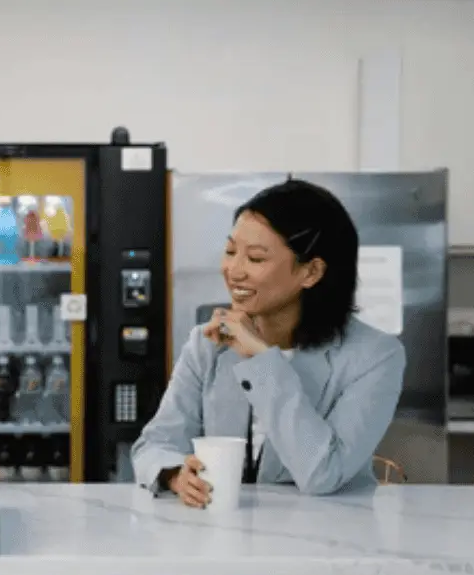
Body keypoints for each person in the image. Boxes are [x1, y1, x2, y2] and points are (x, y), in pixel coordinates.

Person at [131, 178, 406, 505]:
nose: (234, 270)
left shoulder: (375, 357)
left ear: (311, 272)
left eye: (256, 258)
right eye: (231, 251)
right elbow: (153, 445)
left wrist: (262, 360)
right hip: (222, 536)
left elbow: (323, 474)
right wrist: (175, 473)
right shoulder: (207, 344)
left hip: (329, 542)